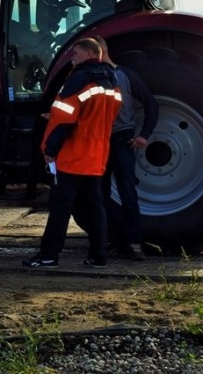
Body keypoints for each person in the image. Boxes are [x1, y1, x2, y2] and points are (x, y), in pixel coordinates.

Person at [24, 37, 121, 269]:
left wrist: (49, 149)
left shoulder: (78, 78)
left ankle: (48, 255)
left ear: (89, 53)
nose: (72, 58)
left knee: (60, 208)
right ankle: (98, 257)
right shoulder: (110, 80)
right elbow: (107, 115)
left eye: (75, 53)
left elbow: (66, 118)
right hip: (97, 156)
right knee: (96, 207)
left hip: (73, 156)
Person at [99, 38, 158, 261]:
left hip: (121, 140)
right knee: (101, 195)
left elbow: (151, 103)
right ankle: (112, 242)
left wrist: (143, 135)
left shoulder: (124, 75)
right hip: (100, 141)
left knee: (127, 194)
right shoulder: (93, 77)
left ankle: (134, 243)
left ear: (100, 52)